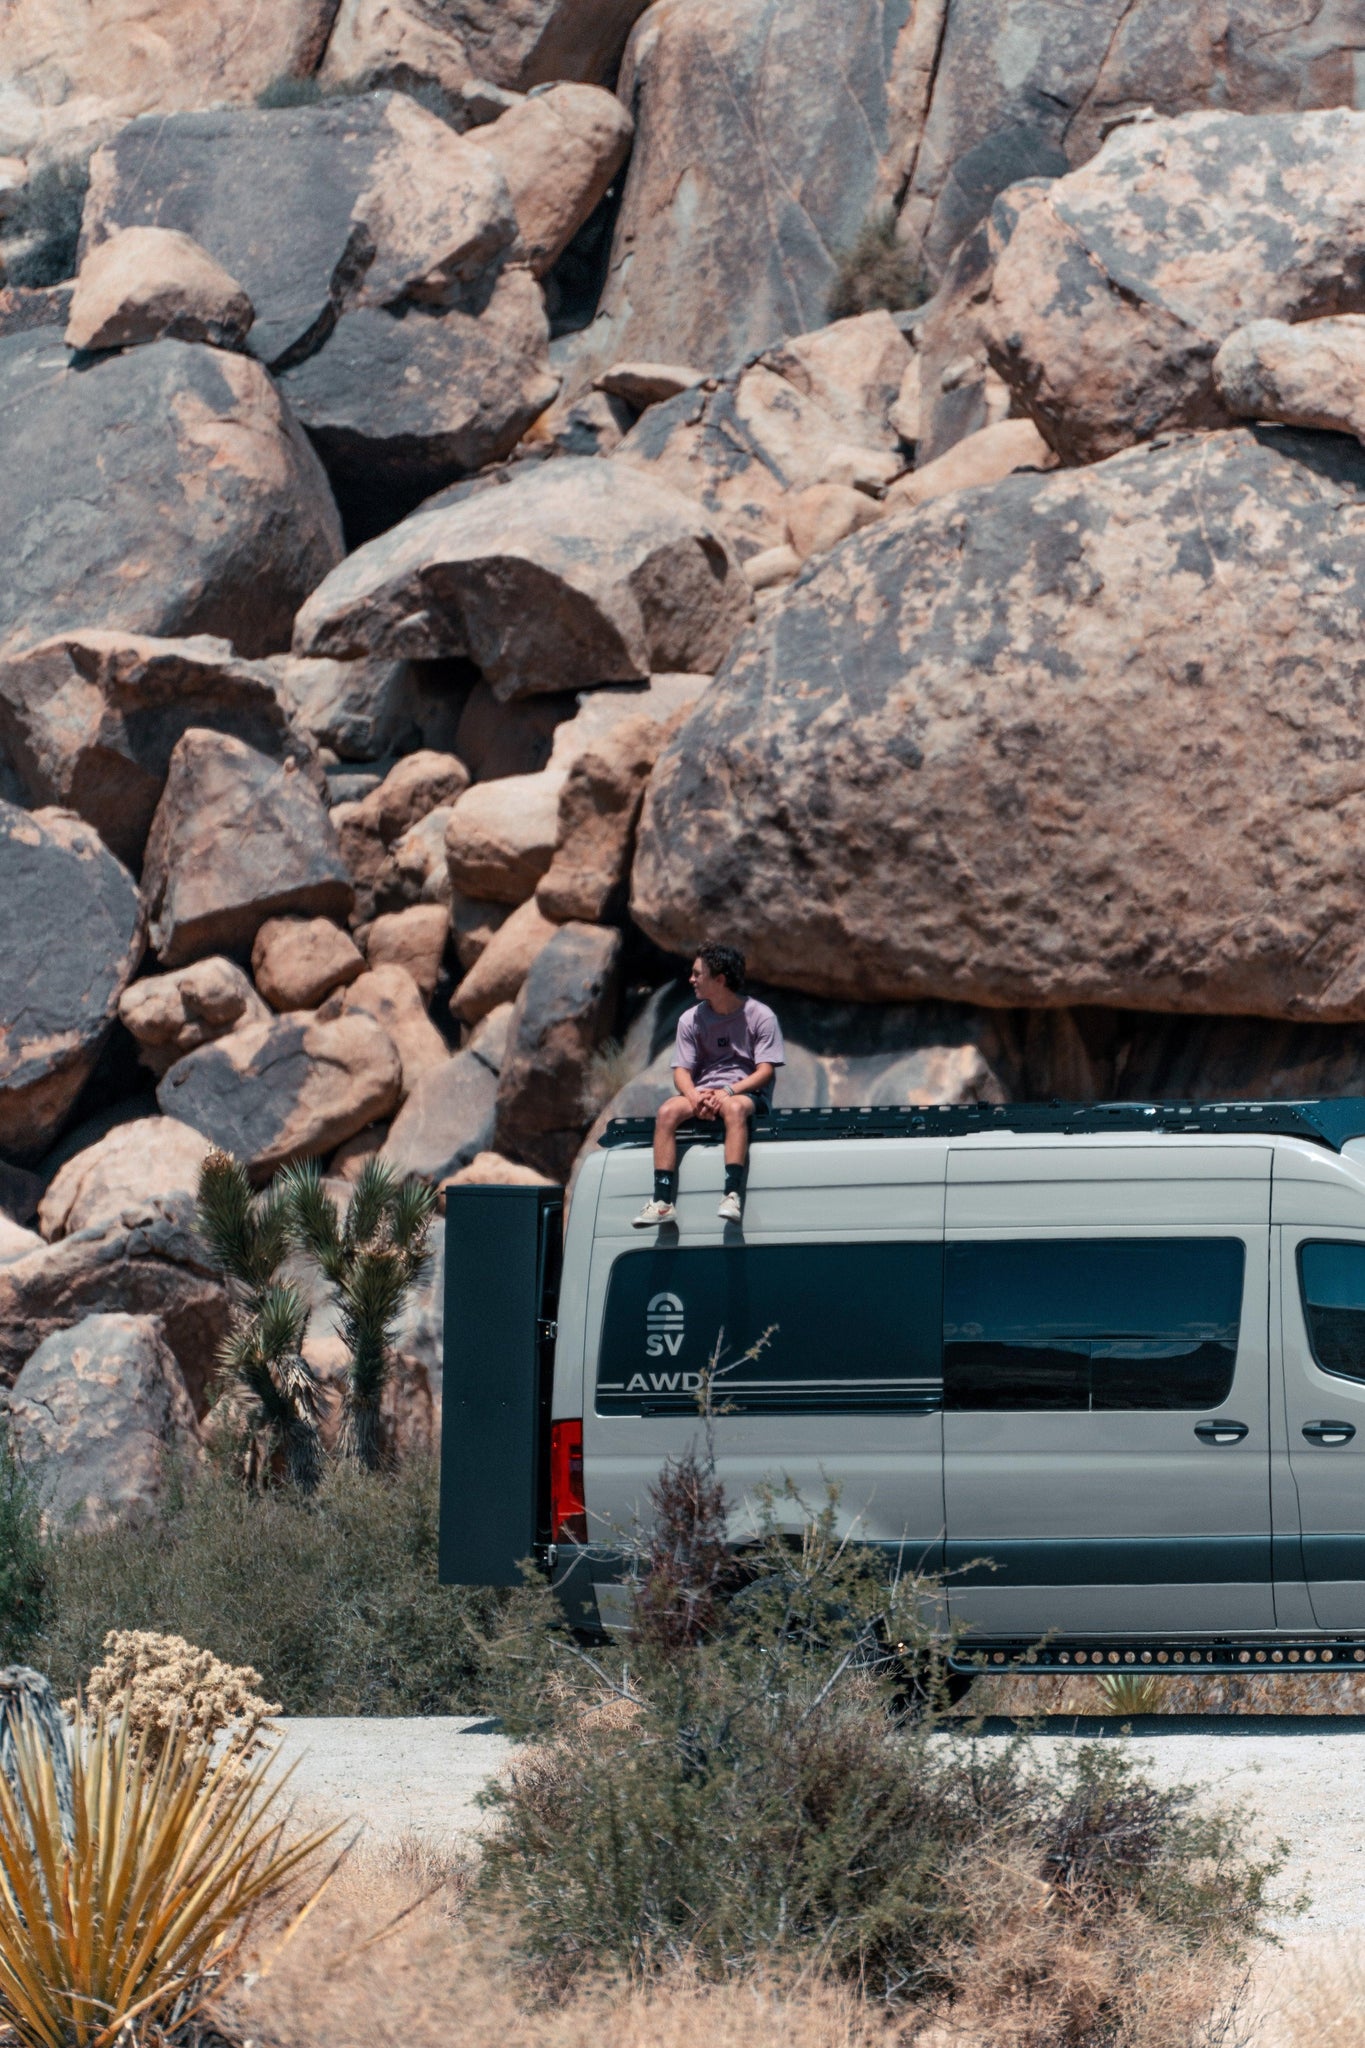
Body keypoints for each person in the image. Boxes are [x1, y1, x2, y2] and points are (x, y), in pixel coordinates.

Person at [633, 943, 784, 1228]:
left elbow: (765, 1071)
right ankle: (662, 1202)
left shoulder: (761, 1016)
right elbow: (681, 1071)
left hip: (746, 1094)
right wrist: (694, 1096)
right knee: (667, 1112)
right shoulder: (690, 1019)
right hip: (703, 1092)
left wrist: (728, 1091)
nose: (691, 979)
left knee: (735, 1108)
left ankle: (731, 1195)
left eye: (697, 974)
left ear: (720, 980)